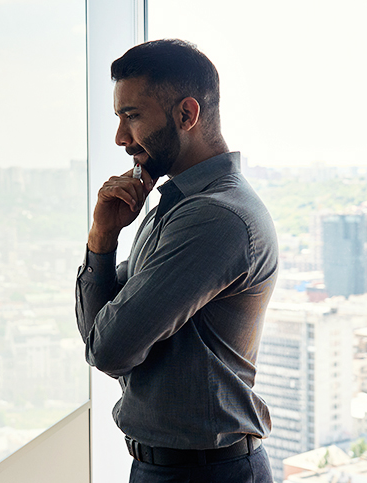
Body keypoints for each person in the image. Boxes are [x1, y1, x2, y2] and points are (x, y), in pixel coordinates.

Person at [75, 39, 278, 482]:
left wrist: (108, 324)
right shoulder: (175, 205)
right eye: (118, 118)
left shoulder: (214, 216)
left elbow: (109, 349)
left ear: (187, 115)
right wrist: (102, 236)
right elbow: (102, 331)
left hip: (207, 473)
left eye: (132, 116)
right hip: (172, 467)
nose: (120, 138)